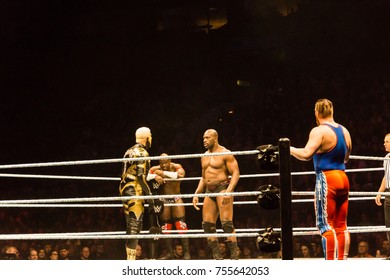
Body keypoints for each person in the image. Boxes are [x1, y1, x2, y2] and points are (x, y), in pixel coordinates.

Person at [290, 98, 352, 260]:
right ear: (332, 111)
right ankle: (342, 263)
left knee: (325, 225)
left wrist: (288, 149)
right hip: (343, 177)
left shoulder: (319, 131)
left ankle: (330, 266)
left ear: (316, 113)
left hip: (327, 178)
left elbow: (305, 154)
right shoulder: (344, 131)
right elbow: (346, 158)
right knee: (341, 225)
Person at [192, 129, 240, 259]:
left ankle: (234, 256)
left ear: (215, 138)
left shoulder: (225, 153)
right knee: (207, 225)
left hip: (222, 188)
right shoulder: (204, 156)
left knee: (226, 223)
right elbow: (203, 177)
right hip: (209, 190)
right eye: (203, 138)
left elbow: (236, 173)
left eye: (207, 138)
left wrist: (229, 192)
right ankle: (217, 256)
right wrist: (196, 193)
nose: (204, 140)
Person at [119, 127, 157, 260]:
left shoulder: (128, 151)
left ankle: (130, 259)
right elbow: (141, 176)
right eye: (151, 136)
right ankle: (131, 262)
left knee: (130, 225)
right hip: (135, 190)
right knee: (135, 225)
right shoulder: (142, 152)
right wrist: (150, 196)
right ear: (147, 138)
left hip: (124, 189)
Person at [148, 153, 191, 260]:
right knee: (166, 225)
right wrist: (156, 176)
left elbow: (181, 175)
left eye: (165, 163)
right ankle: (170, 252)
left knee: (181, 223)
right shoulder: (155, 169)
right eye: (161, 164)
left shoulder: (176, 166)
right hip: (164, 199)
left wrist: (163, 173)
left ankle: (187, 252)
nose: (163, 165)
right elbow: (146, 176)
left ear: (169, 161)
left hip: (176, 198)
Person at [375, 133, 390, 243]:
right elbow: (386, 176)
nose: (384, 144)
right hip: (388, 194)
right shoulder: (386, 158)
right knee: (388, 224)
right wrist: (379, 192)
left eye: (387, 141)